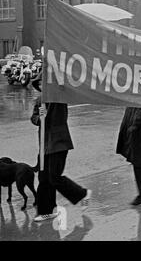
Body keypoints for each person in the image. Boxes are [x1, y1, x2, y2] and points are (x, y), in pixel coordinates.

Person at [30, 73, 91, 222]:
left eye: (44, 83)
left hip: (58, 143)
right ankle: (47, 211)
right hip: (44, 145)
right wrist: (39, 117)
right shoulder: (40, 100)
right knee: (44, 178)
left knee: (54, 177)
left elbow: (64, 86)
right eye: (39, 84)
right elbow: (33, 118)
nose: (41, 86)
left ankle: (82, 194)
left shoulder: (59, 97)